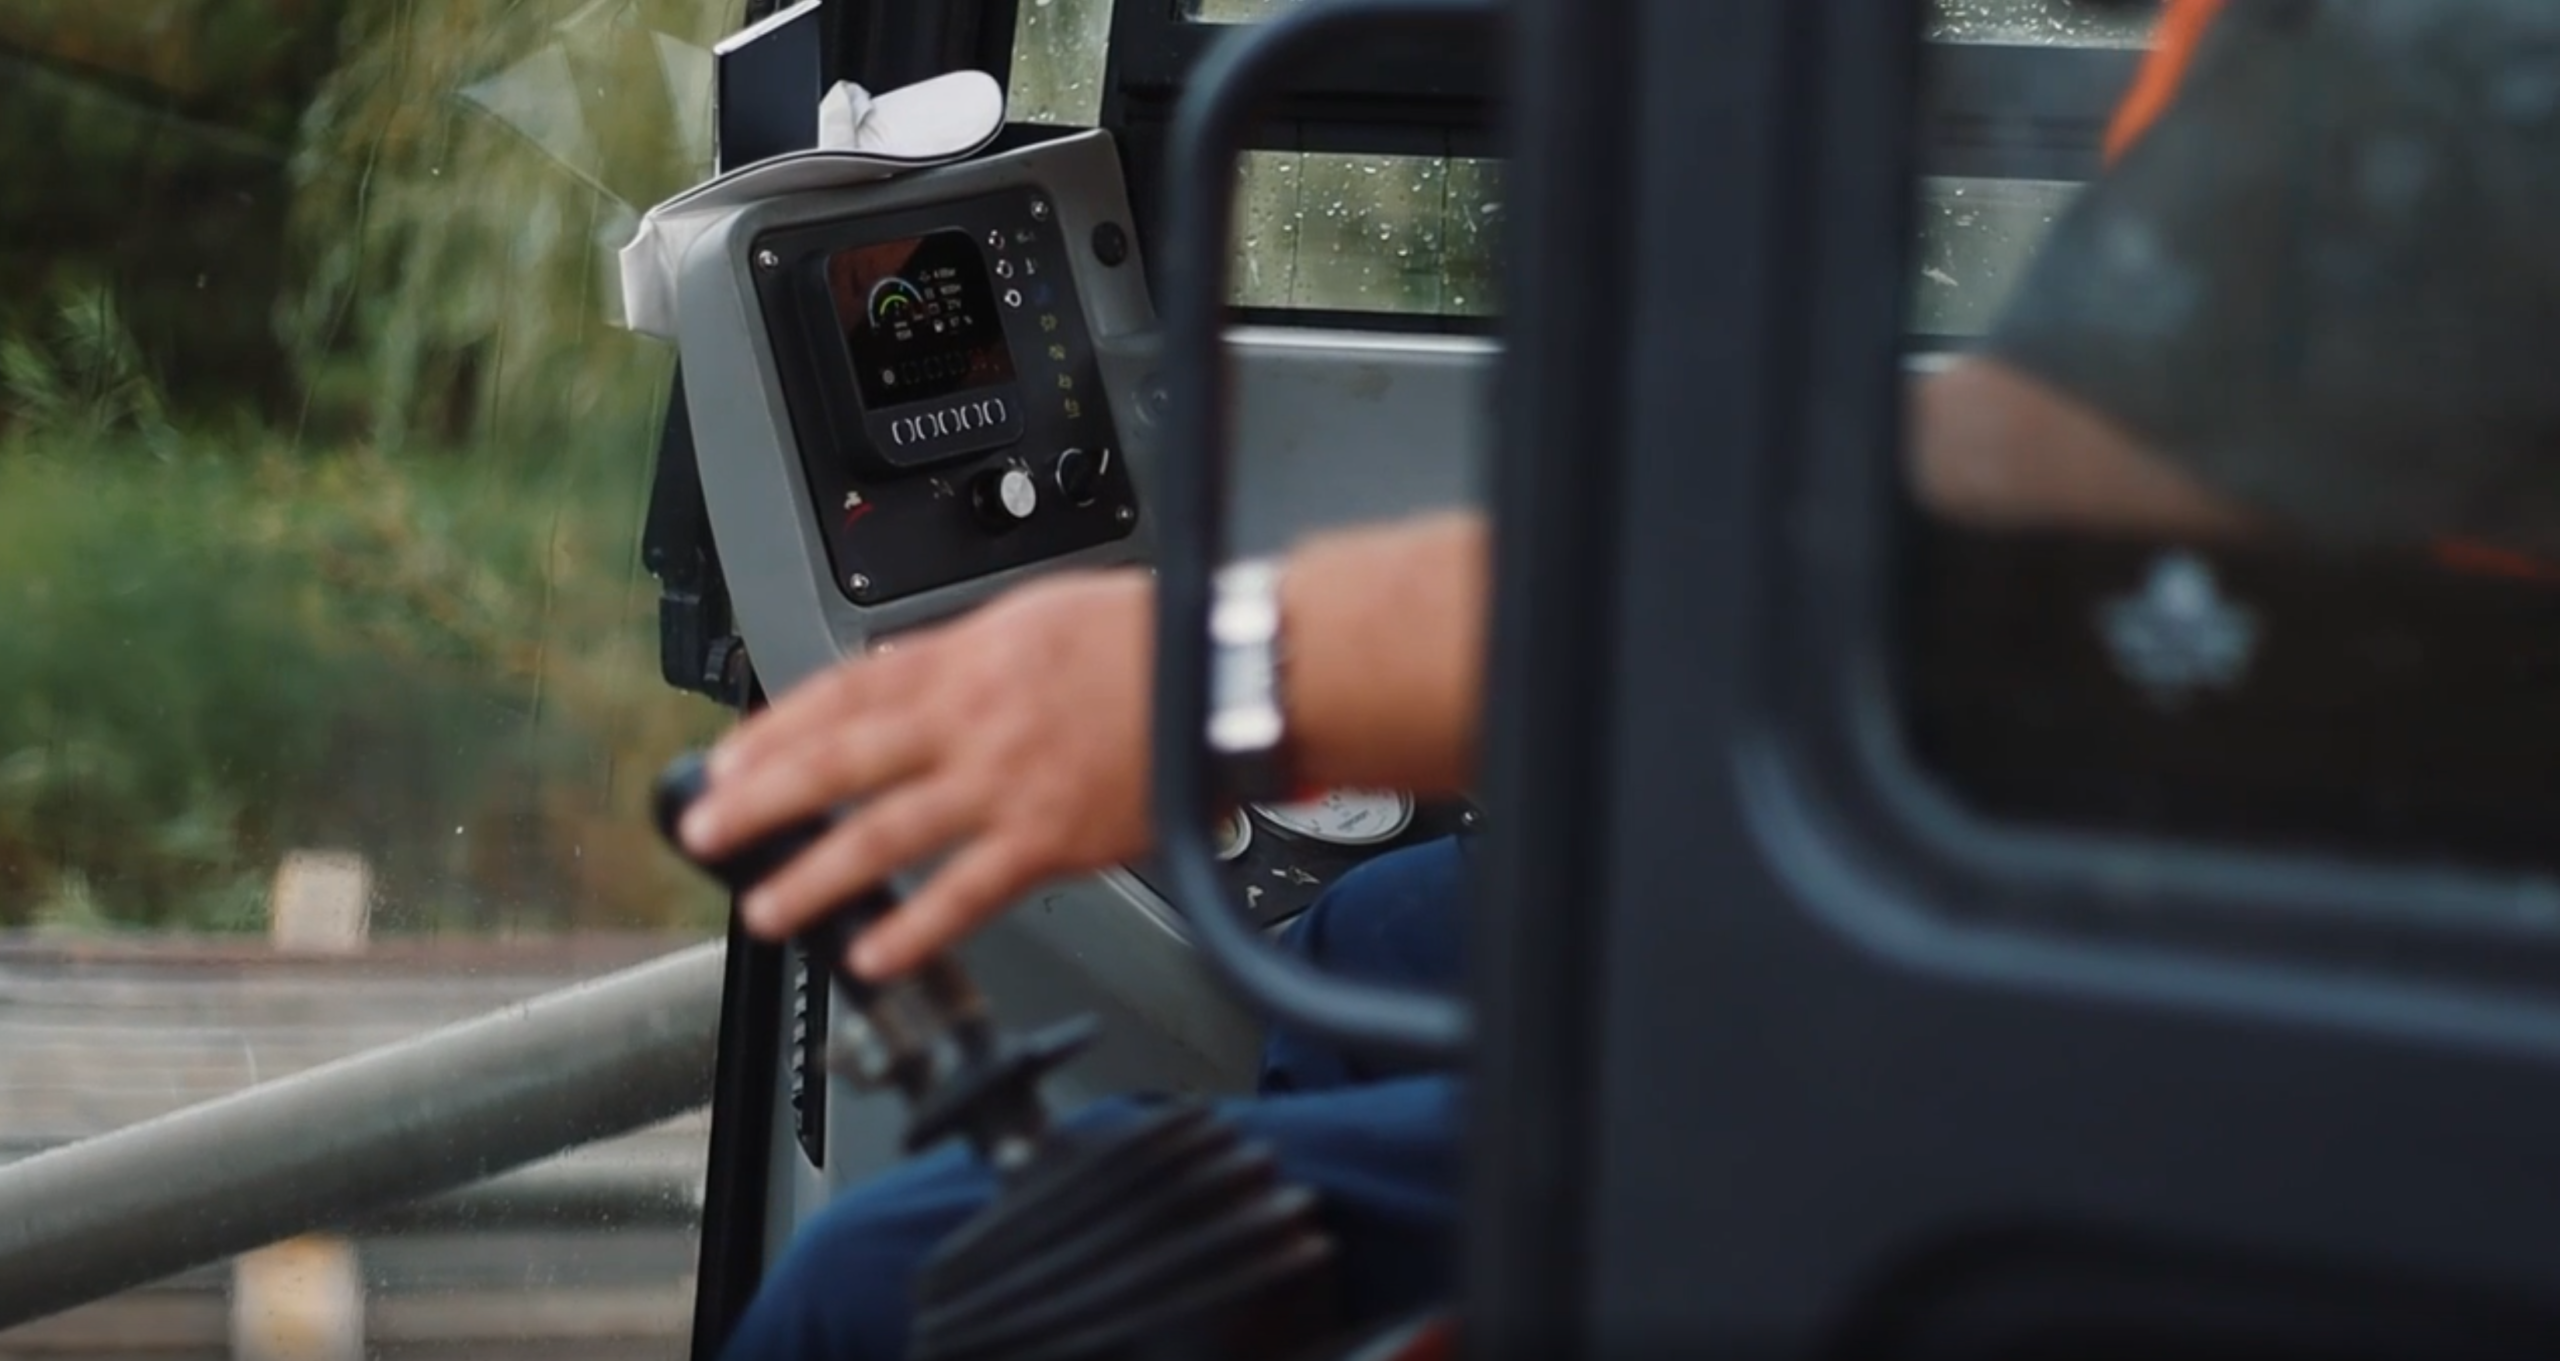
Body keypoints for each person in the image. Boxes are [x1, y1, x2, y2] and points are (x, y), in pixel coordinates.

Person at [684, 0, 2557, 1351]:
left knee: (891, 1284)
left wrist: (1233, 670)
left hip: (2337, 999)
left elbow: (2037, 508)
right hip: (2304, 819)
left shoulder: (2458, 55)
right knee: (1379, 935)